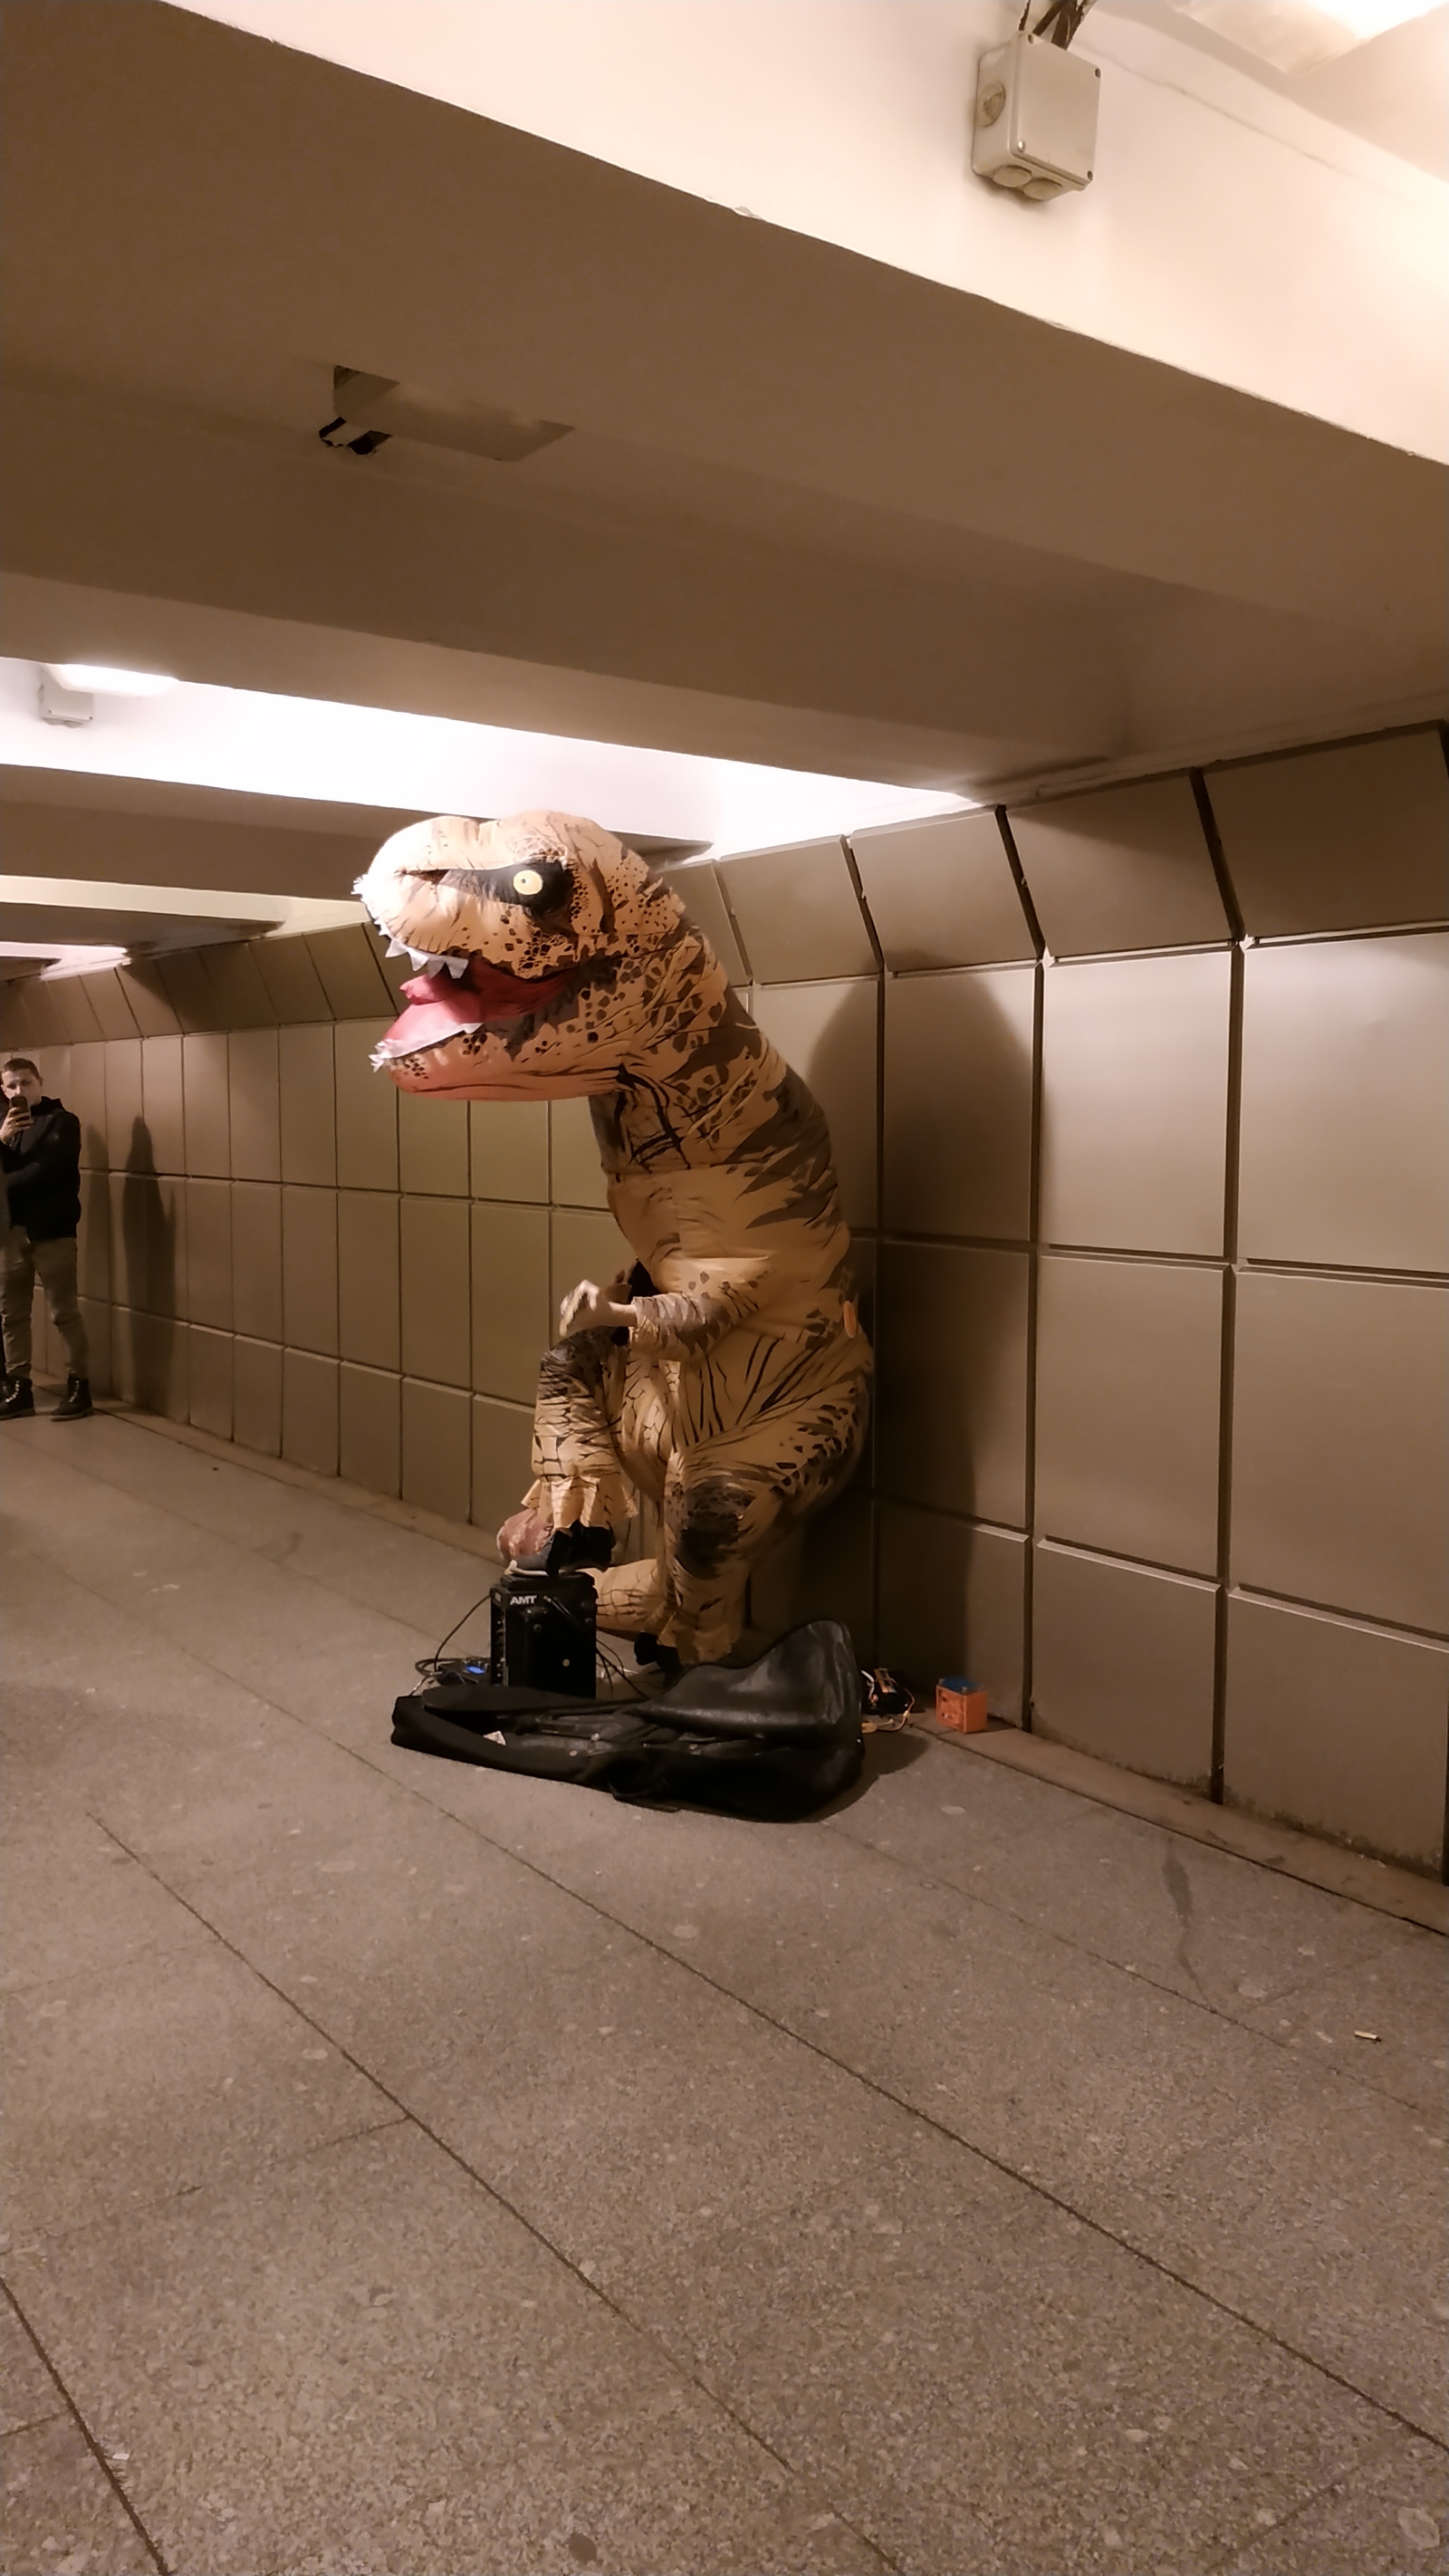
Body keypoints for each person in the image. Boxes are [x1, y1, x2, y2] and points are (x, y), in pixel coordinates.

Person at [0, 1056, 92, 1420]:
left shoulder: (62, 1122)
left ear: (40, 1081)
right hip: (11, 1232)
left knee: (64, 1313)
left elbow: (48, 1168)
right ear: (3, 1090)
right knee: (12, 1315)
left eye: (26, 1082)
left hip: (52, 1231)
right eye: (12, 1085)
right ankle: (20, 1387)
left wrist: (3, 1182)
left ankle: (79, 1387)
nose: (19, 1091)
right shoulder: (8, 1129)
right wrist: (1, 1140)